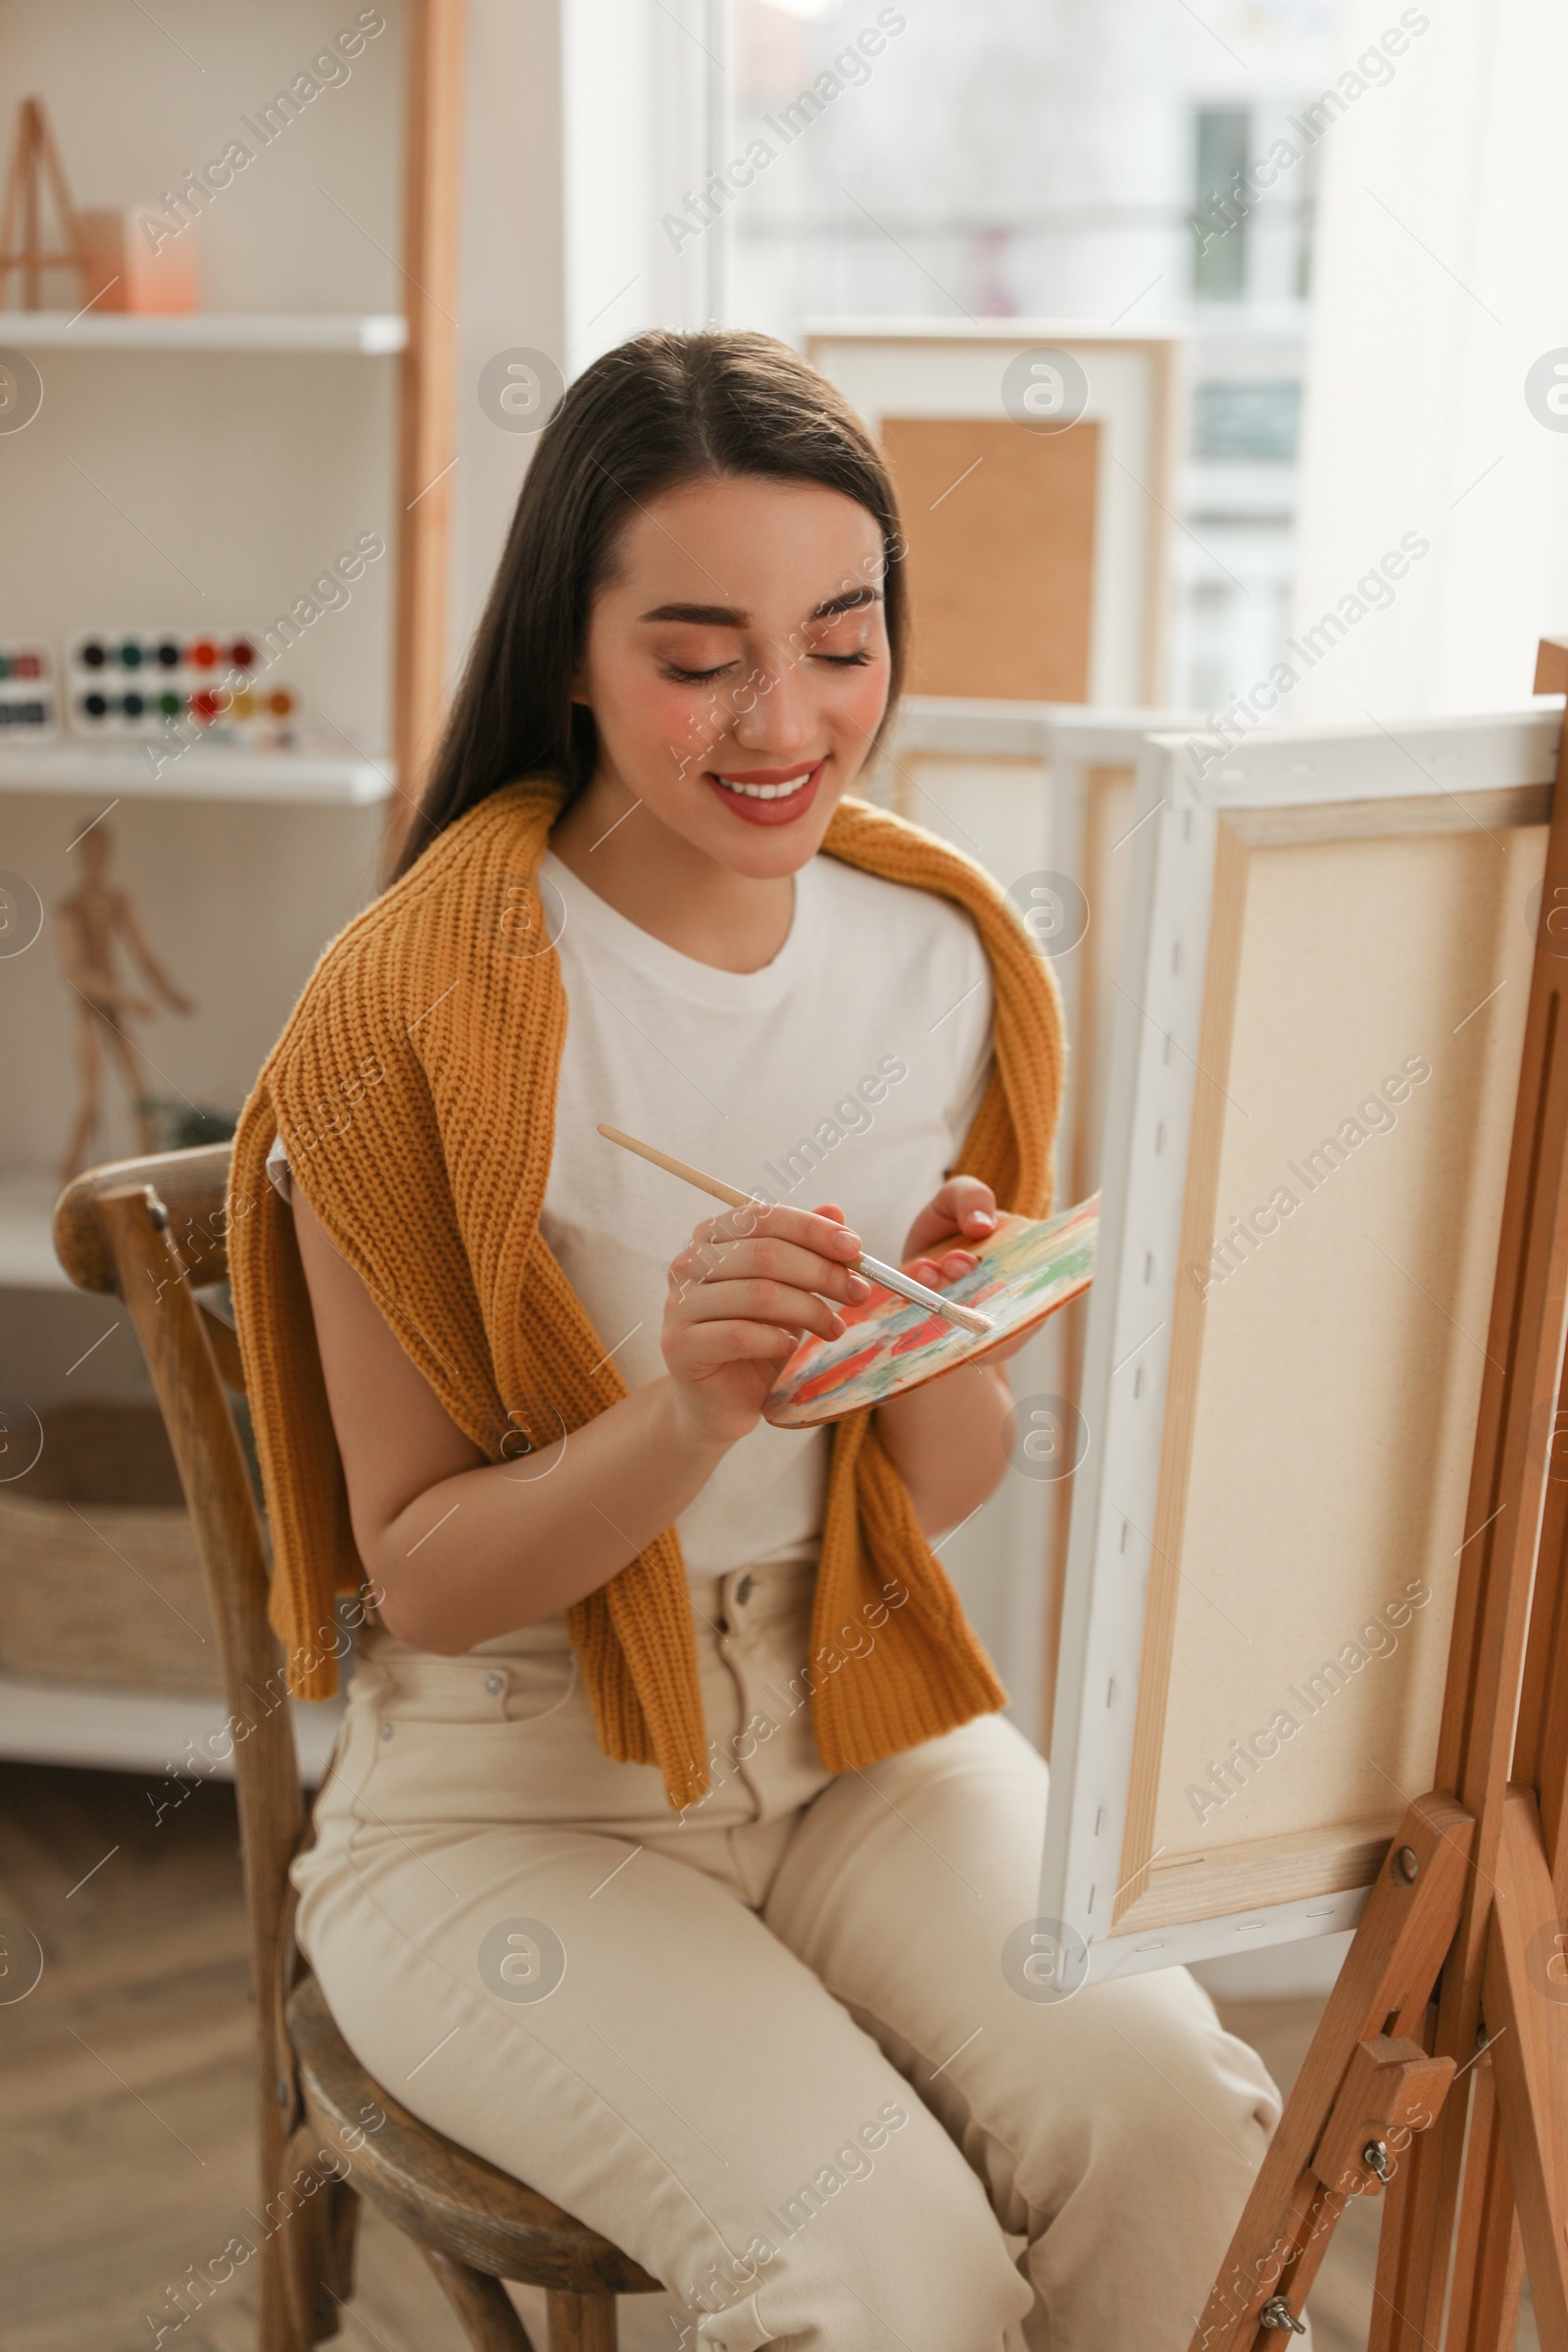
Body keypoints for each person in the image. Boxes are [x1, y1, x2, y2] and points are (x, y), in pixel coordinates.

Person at [229, 328, 1281, 2351]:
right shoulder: (401, 1014)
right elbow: (419, 1580)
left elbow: (941, 1490)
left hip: (859, 1727)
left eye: (840, 638)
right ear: (570, 649)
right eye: (698, 655)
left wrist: (936, 1343)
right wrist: (685, 1414)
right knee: (880, 2278)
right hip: (505, 1799)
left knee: (1183, 2133)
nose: (784, 718)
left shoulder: (952, 952)